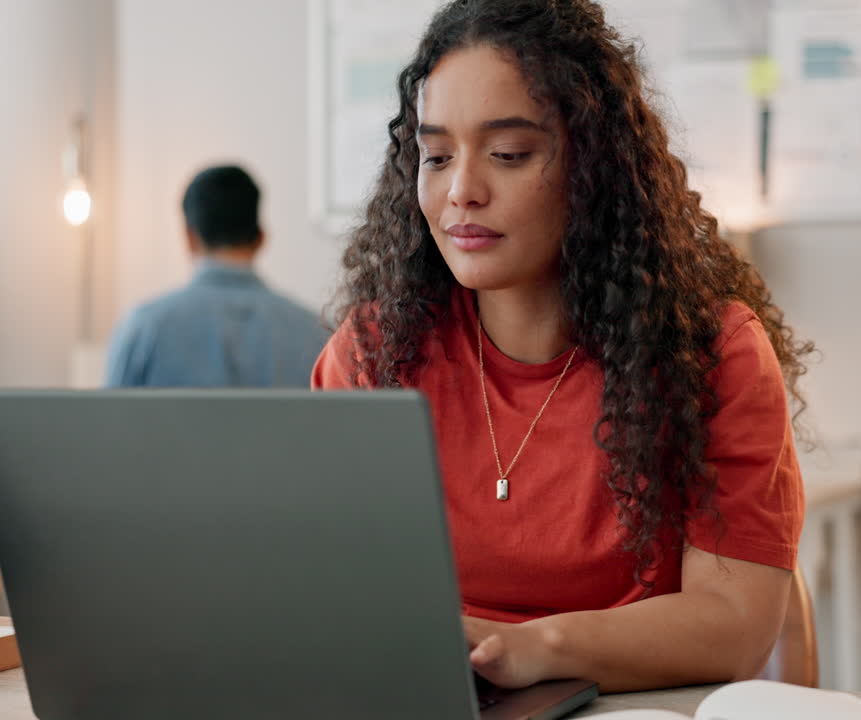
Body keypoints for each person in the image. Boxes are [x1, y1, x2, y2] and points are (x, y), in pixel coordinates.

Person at [311, 0, 815, 694]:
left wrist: (531, 646)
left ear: (593, 167)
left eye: (510, 154)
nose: (462, 191)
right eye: (435, 156)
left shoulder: (712, 356)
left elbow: (735, 624)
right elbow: (331, 599)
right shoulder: (376, 352)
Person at [105, 165, 327, 388]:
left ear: (189, 237)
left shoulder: (143, 329)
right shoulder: (316, 335)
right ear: (261, 238)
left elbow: (108, 420)